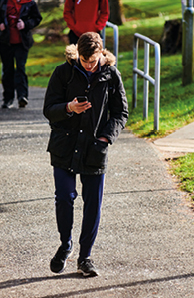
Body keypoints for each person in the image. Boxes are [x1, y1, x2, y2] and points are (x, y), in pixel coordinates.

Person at [43, 32, 128, 277]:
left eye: (93, 61)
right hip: (64, 146)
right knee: (64, 197)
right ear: (77, 54)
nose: (89, 65)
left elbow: (120, 113)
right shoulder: (63, 72)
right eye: (84, 60)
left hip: (94, 147)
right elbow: (49, 109)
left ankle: (85, 257)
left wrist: (105, 138)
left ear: (102, 54)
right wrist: (68, 108)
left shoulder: (111, 74)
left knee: (93, 204)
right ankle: (65, 244)